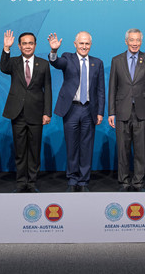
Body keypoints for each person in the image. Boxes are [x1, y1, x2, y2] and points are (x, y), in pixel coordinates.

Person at [108, 28, 145, 191]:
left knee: (140, 149)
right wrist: (111, 112)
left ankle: (138, 181)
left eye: (138, 40)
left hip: (142, 110)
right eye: (132, 40)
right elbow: (112, 87)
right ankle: (124, 181)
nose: (135, 43)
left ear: (141, 41)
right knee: (123, 149)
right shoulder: (116, 60)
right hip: (122, 110)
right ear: (126, 41)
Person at [48, 31, 105, 192]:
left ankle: (84, 181)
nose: (84, 46)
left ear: (90, 45)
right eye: (81, 43)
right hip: (71, 109)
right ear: (75, 44)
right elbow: (56, 62)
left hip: (89, 110)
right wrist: (54, 51)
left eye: (87, 43)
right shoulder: (68, 57)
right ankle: (72, 180)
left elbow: (100, 89)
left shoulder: (97, 63)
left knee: (87, 147)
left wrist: (100, 112)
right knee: (72, 146)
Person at [0, 30, 51, 193]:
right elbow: (3, 67)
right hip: (18, 113)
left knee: (34, 150)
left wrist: (47, 112)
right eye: (24, 43)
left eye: (30, 43)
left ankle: (32, 182)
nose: (27, 46)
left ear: (35, 45)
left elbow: (48, 89)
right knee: (20, 150)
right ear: (19, 46)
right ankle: (21, 182)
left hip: (36, 112)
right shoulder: (13, 62)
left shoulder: (43, 64)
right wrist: (6, 49)